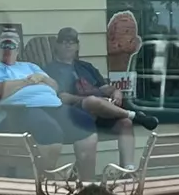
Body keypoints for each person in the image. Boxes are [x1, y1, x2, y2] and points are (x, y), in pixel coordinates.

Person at [0, 30, 98, 180]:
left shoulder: (30, 66)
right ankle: (44, 185)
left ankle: (88, 186)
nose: (8, 48)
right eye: (4, 44)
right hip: (17, 112)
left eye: (12, 44)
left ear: (18, 49)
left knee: (86, 125)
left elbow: (54, 86)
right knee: (50, 131)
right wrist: (26, 81)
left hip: (53, 106)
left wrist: (42, 78)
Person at [44, 27, 158, 171]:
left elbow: (104, 88)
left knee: (125, 124)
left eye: (72, 42)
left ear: (77, 46)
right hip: (77, 116)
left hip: (102, 112)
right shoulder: (50, 70)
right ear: (57, 45)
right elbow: (62, 97)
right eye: (64, 42)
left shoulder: (86, 67)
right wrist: (88, 100)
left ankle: (128, 170)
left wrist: (116, 91)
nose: (68, 45)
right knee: (92, 101)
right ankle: (135, 115)